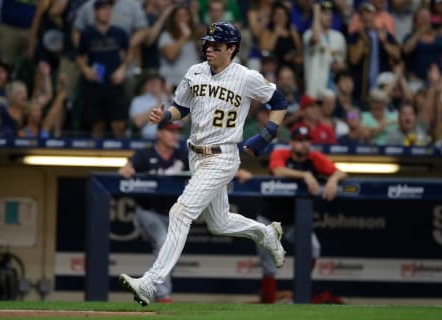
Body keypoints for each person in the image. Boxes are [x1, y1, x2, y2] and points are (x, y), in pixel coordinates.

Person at [119, 21, 288, 306]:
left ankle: (150, 283)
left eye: (216, 46)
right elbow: (181, 108)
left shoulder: (247, 77)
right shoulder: (194, 71)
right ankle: (266, 233)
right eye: (207, 44)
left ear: (231, 49)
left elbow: (280, 102)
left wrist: (267, 134)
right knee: (219, 224)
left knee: (180, 212)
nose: (209, 49)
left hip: (222, 155)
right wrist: (165, 116)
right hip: (196, 154)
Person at [257, 126, 347, 303]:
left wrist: (333, 179)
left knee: (313, 248)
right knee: (269, 266)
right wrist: (305, 175)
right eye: (299, 141)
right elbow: (278, 170)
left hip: (293, 221)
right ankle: (267, 303)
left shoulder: (315, 158)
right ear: (292, 143)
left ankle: (299, 292)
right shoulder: (282, 153)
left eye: (306, 141)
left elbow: (341, 171)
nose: (303, 145)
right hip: (269, 219)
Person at [118, 121, 189, 303]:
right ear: (159, 133)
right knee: (164, 242)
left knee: (170, 252)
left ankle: (154, 289)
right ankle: (164, 295)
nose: (175, 136)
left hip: (172, 215)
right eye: (170, 131)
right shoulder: (145, 153)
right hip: (147, 212)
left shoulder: (182, 154)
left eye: (176, 132)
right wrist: (127, 169)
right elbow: (127, 168)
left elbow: (206, 169)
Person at [76, 0, 130, 138]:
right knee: (96, 124)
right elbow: (79, 57)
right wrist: (85, 70)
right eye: (103, 9)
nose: (107, 12)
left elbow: (129, 55)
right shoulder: (87, 34)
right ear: (95, 12)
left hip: (114, 84)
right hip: (94, 85)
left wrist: (122, 70)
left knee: (119, 124)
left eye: (109, 9)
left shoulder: (119, 32)